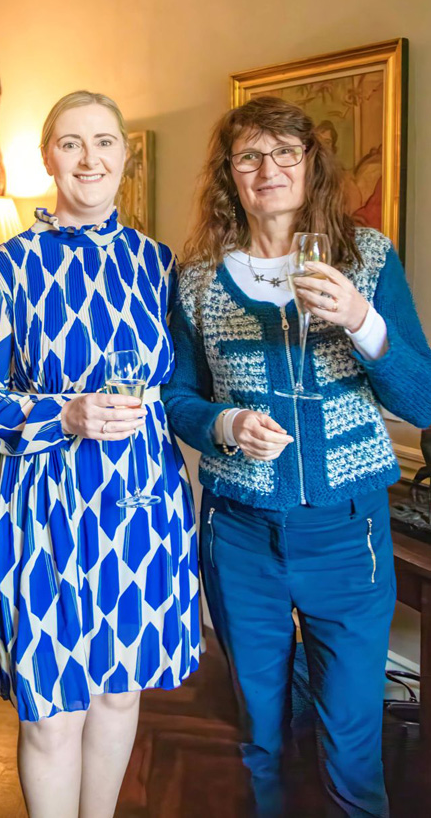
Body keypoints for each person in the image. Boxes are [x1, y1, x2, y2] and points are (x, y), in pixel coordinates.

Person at [162, 95, 431, 817]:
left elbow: (423, 400)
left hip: (348, 532)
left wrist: (362, 321)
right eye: (249, 156)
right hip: (239, 532)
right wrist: (225, 424)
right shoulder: (196, 280)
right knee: (260, 728)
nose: (268, 169)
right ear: (229, 174)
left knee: (351, 735)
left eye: (285, 152)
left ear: (312, 163)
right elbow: (177, 397)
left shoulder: (366, 259)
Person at [0, 90, 200, 817]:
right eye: (70, 143)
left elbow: (184, 385)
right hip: (41, 504)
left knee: (121, 689)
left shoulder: (160, 264)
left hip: (141, 498)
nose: (88, 159)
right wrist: (60, 414)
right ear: (48, 157)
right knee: (50, 707)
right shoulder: (8, 266)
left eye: (104, 142)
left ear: (125, 155)